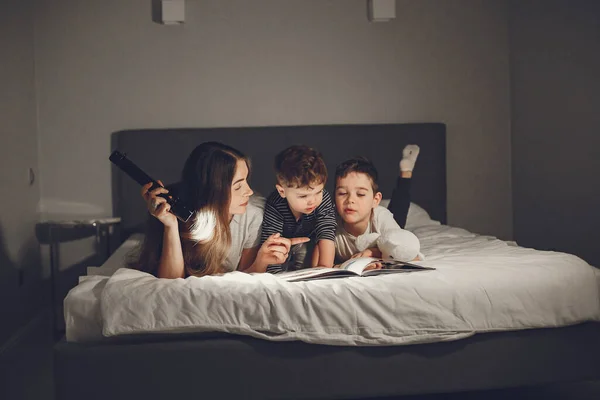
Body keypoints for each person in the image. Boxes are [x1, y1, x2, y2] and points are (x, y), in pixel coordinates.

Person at [131, 141, 308, 279]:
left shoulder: (254, 214)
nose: (249, 191)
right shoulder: (174, 209)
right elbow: (171, 283)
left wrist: (261, 261)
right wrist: (170, 226)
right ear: (213, 191)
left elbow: (244, 280)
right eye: (238, 187)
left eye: (246, 181)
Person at [333, 145, 422, 263]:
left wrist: (374, 252)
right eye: (342, 193)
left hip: (382, 220)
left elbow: (412, 255)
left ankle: (406, 173)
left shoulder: (381, 216)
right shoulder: (331, 223)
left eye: (360, 194)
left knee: (398, 216)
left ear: (375, 200)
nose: (350, 200)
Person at [260, 145, 337, 273]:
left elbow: (327, 232)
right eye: (303, 196)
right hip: (284, 249)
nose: (312, 200)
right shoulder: (275, 204)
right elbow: (273, 244)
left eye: (319, 192)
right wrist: (276, 277)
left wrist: (324, 270)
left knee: (317, 247)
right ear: (282, 191)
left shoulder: (324, 199)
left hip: (310, 247)